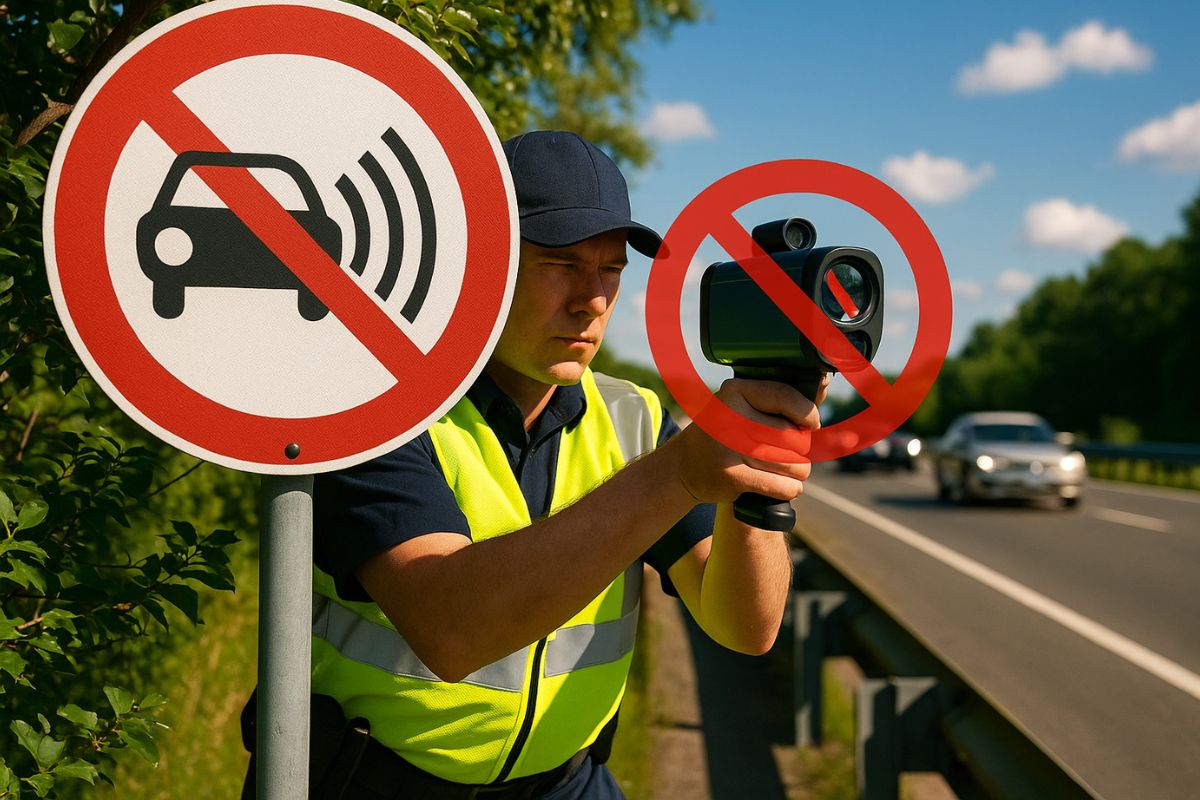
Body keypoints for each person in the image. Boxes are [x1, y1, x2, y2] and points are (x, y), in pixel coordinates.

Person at [250, 130, 824, 799]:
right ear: (481, 266)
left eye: (611, 270)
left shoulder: (632, 416)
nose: (594, 299)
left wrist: (760, 474)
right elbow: (451, 629)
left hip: (571, 783)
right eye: (561, 263)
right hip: (378, 783)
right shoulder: (382, 408)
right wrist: (676, 475)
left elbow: (744, 626)